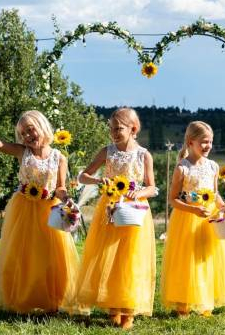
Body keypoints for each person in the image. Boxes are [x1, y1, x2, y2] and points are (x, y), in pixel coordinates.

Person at [0, 109, 78, 313]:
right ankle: (22, 298)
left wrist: (67, 199)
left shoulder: (59, 158)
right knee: (23, 254)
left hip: (48, 210)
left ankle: (52, 300)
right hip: (23, 209)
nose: (28, 136)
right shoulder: (21, 152)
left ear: (42, 127)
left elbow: (60, 187)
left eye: (31, 130)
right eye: (23, 133)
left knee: (50, 256)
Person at [76, 107, 156, 330]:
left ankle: (128, 309)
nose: (114, 132)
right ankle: (113, 306)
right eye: (111, 128)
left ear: (133, 129)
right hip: (109, 208)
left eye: (119, 128)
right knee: (107, 255)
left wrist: (138, 193)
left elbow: (152, 187)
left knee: (131, 258)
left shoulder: (143, 155)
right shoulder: (107, 151)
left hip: (135, 210)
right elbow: (83, 175)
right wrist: (98, 181)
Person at [161, 121, 225, 317]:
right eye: (204, 142)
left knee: (207, 257)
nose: (208, 146)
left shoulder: (213, 166)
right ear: (190, 142)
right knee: (187, 259)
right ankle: (183, 303)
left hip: (209, 219)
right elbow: (172, 199)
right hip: (187, 218)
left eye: (210, 142)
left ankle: (205, 300)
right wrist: (193, 210)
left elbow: (214, 194)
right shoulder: (183, 168)